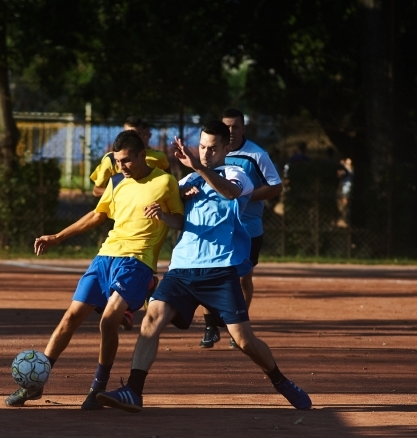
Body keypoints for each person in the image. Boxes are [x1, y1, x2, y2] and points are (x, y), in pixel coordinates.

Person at [96, 121, 312, 413]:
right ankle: (134, 390)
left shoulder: (236, 174)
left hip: (219, 269)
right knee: (152, 319)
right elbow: (181, 223)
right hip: (182, 268)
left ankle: (281, 381)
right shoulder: (186, 183)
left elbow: (230, 194)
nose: (206, 152)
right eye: (202, 147)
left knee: (244, 341)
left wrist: (198, 167)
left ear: (225, 148)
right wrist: (164, 213)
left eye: (212, 148)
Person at [5, 130, 184, 409]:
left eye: (126, 160)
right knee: (70, 318)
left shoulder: (165, 182)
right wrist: (58, 236)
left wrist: (163, 216)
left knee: (109, 320)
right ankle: (35, 384)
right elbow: (98, 215)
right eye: (117, 161)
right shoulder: (117, 182)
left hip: (137, 260)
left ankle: (98, 387)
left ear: (140, 155)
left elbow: (180, 222)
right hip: (105, 257)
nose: (121, 166)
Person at [198, 109, 283, 349]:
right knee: (208, 272)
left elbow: (275, 186)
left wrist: (243, 195)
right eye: (227, 127)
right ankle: (210, 326)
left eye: (236, 127)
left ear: (243, 128)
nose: (232, 132)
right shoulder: (211, 153)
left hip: (248, 227)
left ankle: (239, 327)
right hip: (218, 225)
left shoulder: (257, 155)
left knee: (243, 278)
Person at [90, 116, 170, 331]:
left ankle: (128, 301)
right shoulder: (111, 160)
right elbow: (98, 189)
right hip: (122, 213)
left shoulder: (158, 159)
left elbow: (167, 186)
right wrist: (118, 191)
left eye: (136, 132)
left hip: (149, 221)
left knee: (133, 261)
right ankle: (137, 293)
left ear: (145, 135)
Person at [336, 158, 354, 228]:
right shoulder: (345, 171)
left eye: (348, 164)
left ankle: (346, 221)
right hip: (344, 190)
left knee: (346, 206)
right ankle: (343, 220)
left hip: (347, 190)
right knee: (343, 206)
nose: (346, 165)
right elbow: (339, 174)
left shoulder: (351, 172)